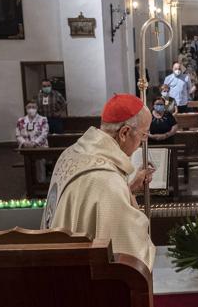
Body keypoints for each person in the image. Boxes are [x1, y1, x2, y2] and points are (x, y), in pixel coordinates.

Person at [42, 94, 156, 270]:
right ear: (124, 133)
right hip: (85, 280)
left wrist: (129, 188)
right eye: (143, 135)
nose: (142, 142)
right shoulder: (106, 180)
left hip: (57, 262)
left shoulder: (71, 152)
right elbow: (130, 254)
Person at [16, 100, 49, 183]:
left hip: (39, 146)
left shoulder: (43, 119)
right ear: (26, 108)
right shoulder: (21, 120)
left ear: (37, 108)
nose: (31, 109)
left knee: (39, 162)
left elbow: (44, 134)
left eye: (33, 107)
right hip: (26, 147)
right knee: (28, 164)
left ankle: (41, 182)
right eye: (29, 107)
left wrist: (35, 143)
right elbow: (18, 135)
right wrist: (24, 142)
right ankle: (30, 184)